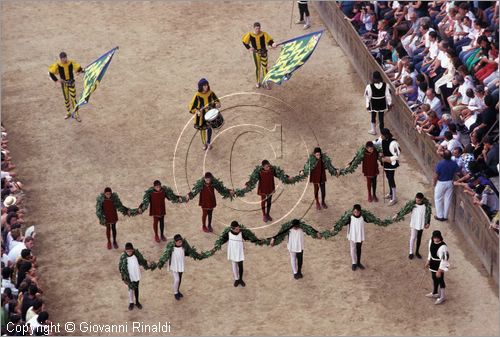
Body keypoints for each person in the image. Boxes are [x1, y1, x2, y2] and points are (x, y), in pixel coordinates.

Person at [216, 221, 264, 287]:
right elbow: (223, 240)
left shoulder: (241, 232)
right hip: (232, 251)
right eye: (236, 229)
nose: (238, 229)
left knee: (240, 265)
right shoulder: (228, 233)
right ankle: (236, 279)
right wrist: (217, 246)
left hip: (239, 251)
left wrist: (257, 240)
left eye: (238, 227)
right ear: (232, 229)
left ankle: (240, 279)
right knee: (234, 265)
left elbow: (248, 238)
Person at [157, 234, 200, 301]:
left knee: (179, 279)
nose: (180, 243)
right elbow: (165, 255)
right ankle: (175, 292)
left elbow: (187, 253)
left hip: (180, 265)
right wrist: (162, 262)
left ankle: (178, 290)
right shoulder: (171, 248)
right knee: (177, 279)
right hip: (174, 266)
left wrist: (194, 254)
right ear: (175, 242)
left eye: (181, 242)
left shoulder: (183, 247)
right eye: (179, 242)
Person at [48, 52, 84, 122]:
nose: (65, 59)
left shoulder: (71, 63)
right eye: (63, 58)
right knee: (66, 99)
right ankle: (68, 113)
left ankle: (76, 114)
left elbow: (79, 68)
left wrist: (82, 71)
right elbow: (50, 72)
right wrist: (57, 80)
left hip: (71, 83)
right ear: (60, 59)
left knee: (73, 99)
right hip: (64, 84)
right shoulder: (57, 65)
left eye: (65, 58)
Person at [118, 242, 153, 311]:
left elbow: (142, 261)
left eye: (130, 251)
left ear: (133, 250)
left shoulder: (136, 255)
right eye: (127, 251)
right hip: (129, 276)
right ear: (125, 251)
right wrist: (123, 278)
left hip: (136, 274)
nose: (129, 252)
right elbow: (121, 268)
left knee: (136, 288)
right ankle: (131, 302)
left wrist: (148, 265)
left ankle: (137, 301)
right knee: (130, 289)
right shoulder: (123, 257)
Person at [242, 22, 277, 88]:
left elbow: (270, 41)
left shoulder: (264, 34)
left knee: (264, 68)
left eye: (258, 28)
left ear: (260, 28)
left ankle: (265, 82)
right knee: (258, 68)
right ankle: (258, 81)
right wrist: (249, 48)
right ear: (254, 28)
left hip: (264, 53)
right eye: (256, 28)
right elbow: (244, 41)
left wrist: (273, 44)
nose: (257, 30)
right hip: (256, 54)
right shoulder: (250, 34)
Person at [188, 78, 221, 151]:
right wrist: (196, 110)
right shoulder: (197, 95)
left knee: (209, 128)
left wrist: (216, 104)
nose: (206, 87)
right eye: (204, 86)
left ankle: (208, 142)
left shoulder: (211, 93)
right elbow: (191, 107)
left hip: (209, 114)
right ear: (201, 87)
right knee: (202, 129)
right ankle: (204, 143)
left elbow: (217, 102)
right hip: (201, 116)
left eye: (206, 85)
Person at [375, 128, 401, 206]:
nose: (381, 136)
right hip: (385, 163)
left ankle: (394, 198)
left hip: (391, 164)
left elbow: (397, 154)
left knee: (391, 179)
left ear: (385, 135)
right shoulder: (382, 139)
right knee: (388, 178)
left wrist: (388, 159)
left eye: (382, 135)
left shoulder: (394, 143)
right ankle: (390, 193)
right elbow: (377, 143)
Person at [433, 150, 460, 221]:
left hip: (441, 183)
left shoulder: (440, 163)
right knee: (448, 199)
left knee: (438, 198)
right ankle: (445, 216)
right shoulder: (453, 163)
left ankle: (440, 216)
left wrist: (434, 183)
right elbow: (458, 171)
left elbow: (436, 175)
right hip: (450, 182)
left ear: (443, 156)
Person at [425, 230, 449, 305]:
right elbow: (430, 251)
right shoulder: (431, 241)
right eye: (435, 237)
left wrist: (440, 270)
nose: (436, 239)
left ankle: (442, 297)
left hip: (439, 264)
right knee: (434, 277)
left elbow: (445, 259)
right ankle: (435, 292)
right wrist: (428, 260)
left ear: (440, 237)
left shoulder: (443, 247)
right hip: (433, 262)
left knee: (440, 280)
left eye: (437, 238)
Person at [408, 193, 430, 259]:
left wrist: (428, 222)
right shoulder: (412, 204)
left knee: (419, 238)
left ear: (422, 200)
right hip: (414, 223)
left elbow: (428, 214)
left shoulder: (426, 206)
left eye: (418, 200)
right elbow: (405, 210)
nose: (417, 201)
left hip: (421, 224)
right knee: (413, 237)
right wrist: (397, 214)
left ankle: (417, 252)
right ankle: (411, 252)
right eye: (416, 200)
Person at [347, 204, 366, 271]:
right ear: (352, 211)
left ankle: (358, 262)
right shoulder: (350, 217)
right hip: (352, 235)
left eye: (357, 212)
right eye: (355, 212)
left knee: (359, 248)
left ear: (360, 211)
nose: (356, 213)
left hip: (359, 235)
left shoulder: (363, 216)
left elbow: (372, 220)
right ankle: (354, 263)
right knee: (352, 249)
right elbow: (342, 223)